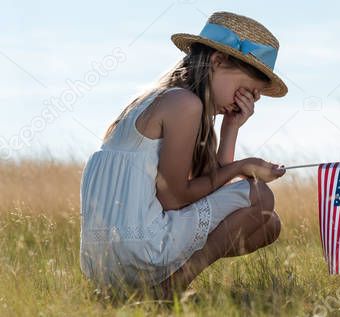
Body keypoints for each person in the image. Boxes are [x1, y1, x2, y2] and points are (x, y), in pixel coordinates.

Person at [79, 11, 289, 298]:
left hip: (102, 261)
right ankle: (171, 287)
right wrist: (243, 166)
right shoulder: (185, 104)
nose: (246, 101)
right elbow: (174, 198)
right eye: (246, 90)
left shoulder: (161, 98)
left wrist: (231, 128)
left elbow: (205, 192)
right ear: (217, 61)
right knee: (260, 196)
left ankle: (151, 287)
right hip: (139, 247)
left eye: (252, 97)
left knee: (268, 223)